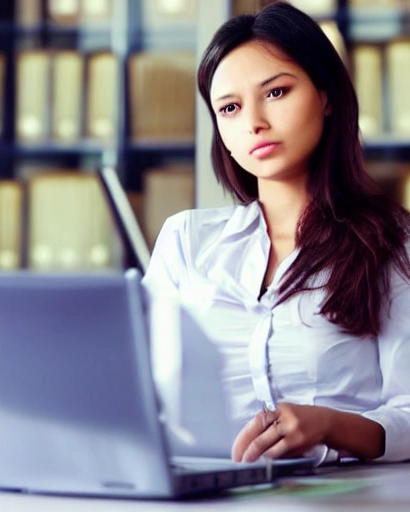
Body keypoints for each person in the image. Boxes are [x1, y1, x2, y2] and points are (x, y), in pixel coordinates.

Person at [142, 0, 410, 465]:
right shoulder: (187, 241)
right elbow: (135, 390)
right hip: (206, 492)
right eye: (229, 107)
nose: (254, 123)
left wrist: (328, 424)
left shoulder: (391, 243)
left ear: (325, 95)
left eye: (276, 92)